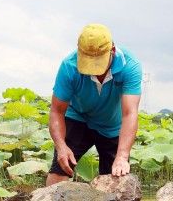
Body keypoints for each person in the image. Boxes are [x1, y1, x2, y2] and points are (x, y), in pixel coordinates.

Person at [46, 24, 142, 186]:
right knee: (60, 170)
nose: (93, 69)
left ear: (111, 50)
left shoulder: (129, 66)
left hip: (111, 125)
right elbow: (56, 111)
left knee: (116, 179)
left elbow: (129, 113)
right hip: (77, 117)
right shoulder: (69, 66)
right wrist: (61, 147)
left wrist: (122, 156)